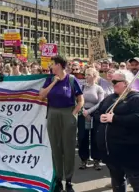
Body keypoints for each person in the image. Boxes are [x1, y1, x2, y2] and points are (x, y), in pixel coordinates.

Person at [93, 71, 139, 192]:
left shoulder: (136, 98)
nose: (112, 84)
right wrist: (100, 117)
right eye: (111, 81)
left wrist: (115, 118)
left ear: (125, 83)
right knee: (117, 180)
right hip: (111, 151)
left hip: (129, 151)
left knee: (137, 181)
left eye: (115, 82)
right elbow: (98, 112)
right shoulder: (111, 97)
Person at [39, 55, 84, 192]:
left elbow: (81, 100)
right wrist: (53, 82)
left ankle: (69, 181)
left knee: (69, 149)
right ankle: (58, 179)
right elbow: (41, 95)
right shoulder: (49, 79)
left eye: (52, 64)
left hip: (68, 113)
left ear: (59, 65)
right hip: (53, 113)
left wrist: (73, 114)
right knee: (56, 148)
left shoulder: (71, 79)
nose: (50, 66)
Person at [78, 68, 105, 170]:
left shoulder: (99, 88)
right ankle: (84, 159)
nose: (86, 77)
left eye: (88, 75)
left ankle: (96, 160)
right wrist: (84, 111)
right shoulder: (82, 87)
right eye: (86, 74)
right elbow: (78, 100)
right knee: (82, 137)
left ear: (94, 76)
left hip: (95, 114)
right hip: (83, 114)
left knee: (95, 138)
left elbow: (100, 103)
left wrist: (89, 112)